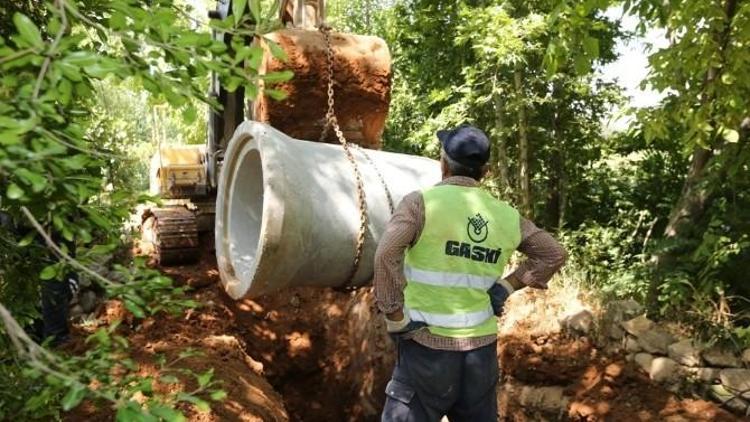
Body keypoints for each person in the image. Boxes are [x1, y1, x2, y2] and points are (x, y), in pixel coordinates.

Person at [373, 124, 567, 421]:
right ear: (485, 171)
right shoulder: (506, 216)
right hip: (480, 355)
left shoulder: (420, 204)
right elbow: (553, 254)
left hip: (426, 350)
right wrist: (506, 286)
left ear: (443, 164)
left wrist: (394, 316)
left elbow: (387, 254)